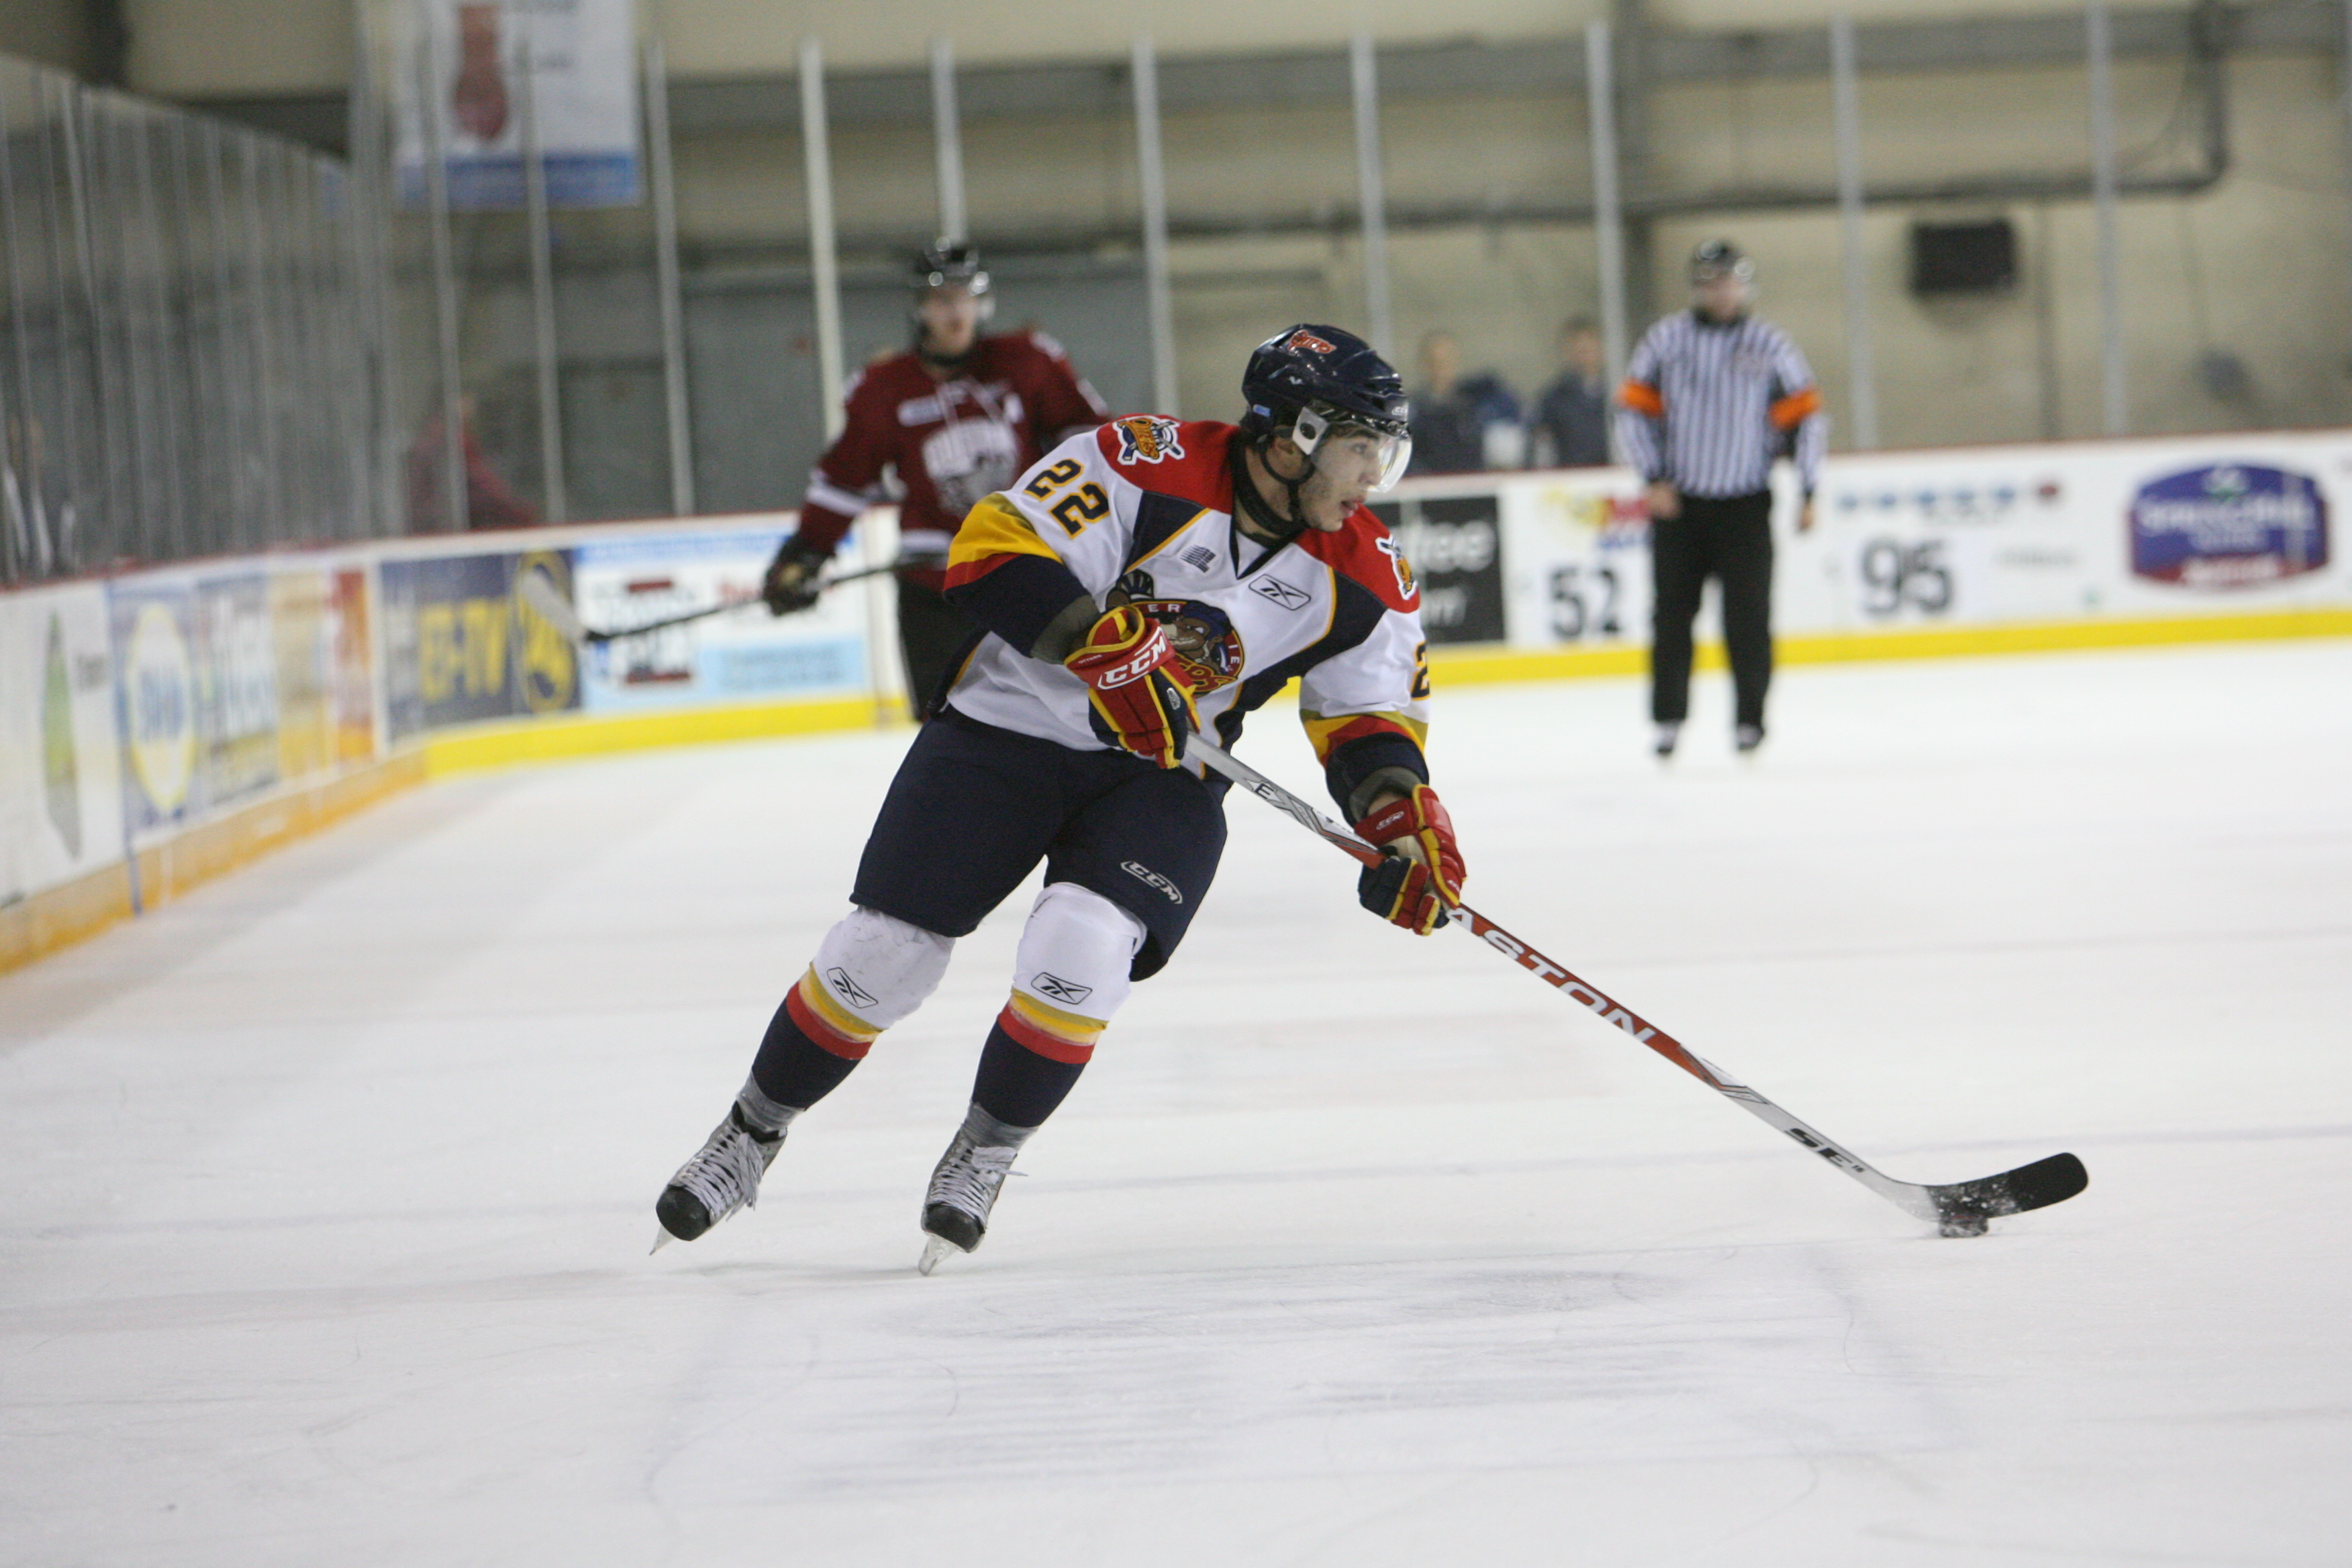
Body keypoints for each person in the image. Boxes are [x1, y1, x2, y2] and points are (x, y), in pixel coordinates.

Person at [653, 324, 1466, 1271]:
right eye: (1363, 447)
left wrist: (1398, 819)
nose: (1374, 476)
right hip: (1005, 732)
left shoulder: (1367, 573)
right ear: (1294, 437)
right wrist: (1093, 644)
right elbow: (991, 547)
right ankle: (751, 1132)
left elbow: (1370, 719)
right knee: (885, 951)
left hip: (1164, 770)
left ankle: (986, 1149)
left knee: (1083, 945)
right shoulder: (1144, 462)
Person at [760, 241, 1111, 715]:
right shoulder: (884, 388)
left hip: (1025, 572)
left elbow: (1092, 445)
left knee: (1047, 718)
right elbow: (843, 483)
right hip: (934, 588)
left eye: (966, 297)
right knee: (943, 723)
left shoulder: (1027, 361)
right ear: (921, 307)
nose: (956, 311)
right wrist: (804, 554)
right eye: (943, 299)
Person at [1616, 240, 1824, 758]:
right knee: (1671, 617)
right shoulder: (1667, 340)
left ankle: (1750, 720)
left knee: (1748, 619)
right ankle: (1669, 718)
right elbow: (1633, 411)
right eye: (1711, 282)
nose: (1721, 291)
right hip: (1680, 506)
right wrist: (1653, 478)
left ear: (1745, 286)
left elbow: (1807, 418)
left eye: (1730, 281)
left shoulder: (1769, 344)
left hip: (1745, 504)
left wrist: (1808, 488)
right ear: (1696, 287)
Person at [404, 393, 539, 532]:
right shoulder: (448, 439)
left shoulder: (435, 438)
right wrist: (517, 511)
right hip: (442, 519)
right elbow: (480, 480)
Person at [1405, 330, 1519, 476]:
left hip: (1473, 481)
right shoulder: (1414, 411)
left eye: (1446, 360)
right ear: (1424, 364)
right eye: (1434, 361)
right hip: (1431, 483)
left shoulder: (1476, 402)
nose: (1441, 368)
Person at [1528, 317, 1612, 469]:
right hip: (1571, 475)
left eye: (1589, 348)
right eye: (1578, 349)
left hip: (1614, 474)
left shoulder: (1619, 392)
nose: (1584, 355)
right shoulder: (1554, 398)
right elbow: (1540, 443)